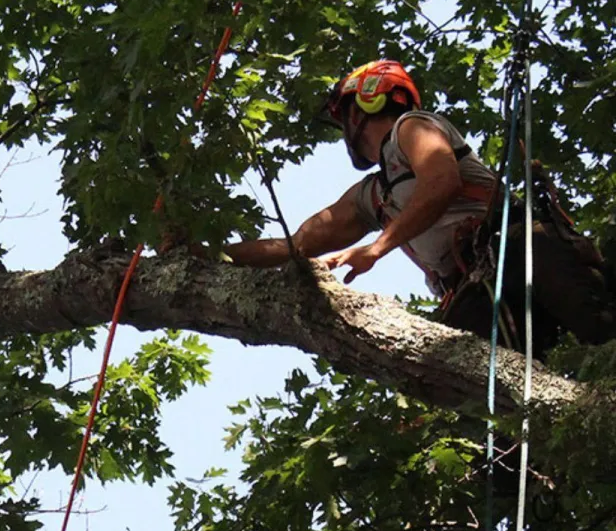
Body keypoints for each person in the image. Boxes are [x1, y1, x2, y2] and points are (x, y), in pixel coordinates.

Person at [220, 59, 615, 358]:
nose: (346, 131)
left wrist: (375, 249)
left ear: (363, 106)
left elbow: (442, 182)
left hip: (519, 251)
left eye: (346, 117)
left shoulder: (411, 127)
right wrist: (216, 255)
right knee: (501, 420)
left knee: (599, 332)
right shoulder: (374, 194)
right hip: (474, 295)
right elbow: (299, 245)